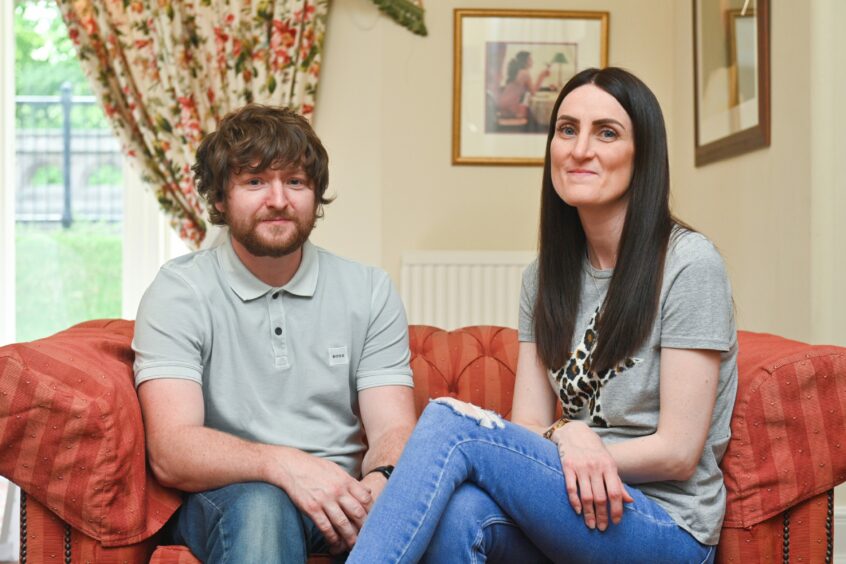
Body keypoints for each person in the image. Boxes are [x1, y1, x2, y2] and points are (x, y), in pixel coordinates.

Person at [348, 67, 737, 563]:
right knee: (462, 510)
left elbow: (679, 452)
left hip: (665, 525)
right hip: (576, 507)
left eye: (607, 133)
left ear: (643, 157)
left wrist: (579, 454)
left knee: (451, 420)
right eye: (567, 129)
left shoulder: (689, 264)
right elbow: (530, 423)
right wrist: (565, 434)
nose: (579, 149)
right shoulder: (544, 277)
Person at [132, 104, 417, 563]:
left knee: (439, 505)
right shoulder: (179, 290)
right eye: (255, 181)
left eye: (296, 182)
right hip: (232, 497)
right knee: (266, 504)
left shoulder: (368, 288)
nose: (279, 199)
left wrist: (380, 482)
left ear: (315, 195)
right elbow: (171, 448)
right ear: (220, 198)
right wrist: (284, 466)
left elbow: (393, 427)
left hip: (342, 495)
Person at [497, 51, 551, 119]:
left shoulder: (518, 71)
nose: (532, 61)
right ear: (525, 61)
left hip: (503, 104)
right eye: (530, 59)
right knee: (534, 115)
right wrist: (541, 76)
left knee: (529, 110)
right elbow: (533, 92)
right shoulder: (525, 73)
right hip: (509, 107)